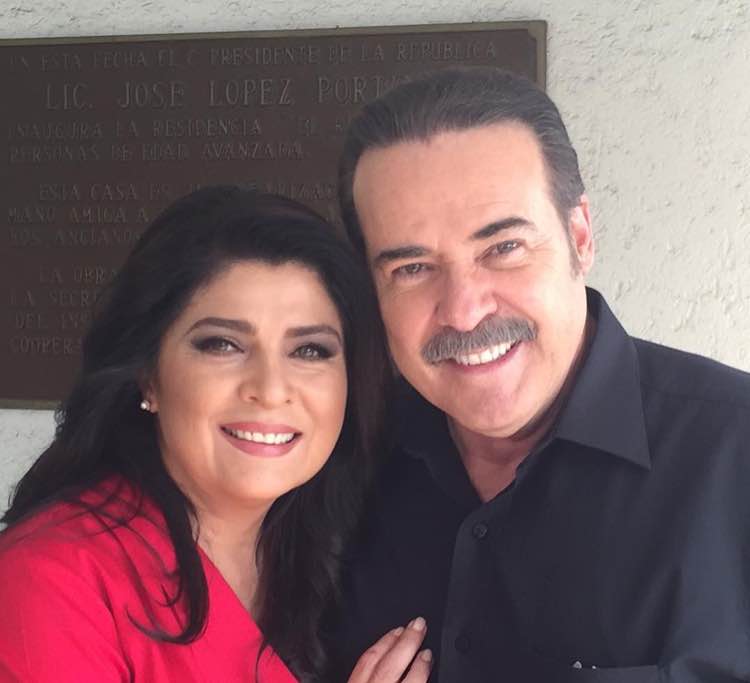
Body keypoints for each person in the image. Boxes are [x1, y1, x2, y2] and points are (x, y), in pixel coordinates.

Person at [328, 67, 750, 682]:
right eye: (412, 268)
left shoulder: (737, 454)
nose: (464, 310)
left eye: (503, 248)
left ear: (580, 236)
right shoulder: (332, 459)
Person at [0, 187, 434, 683]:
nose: (271, 389)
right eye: (223, 345)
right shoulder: (53, 581)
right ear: (148, 376)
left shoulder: (342, 550)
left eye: (310, 350)